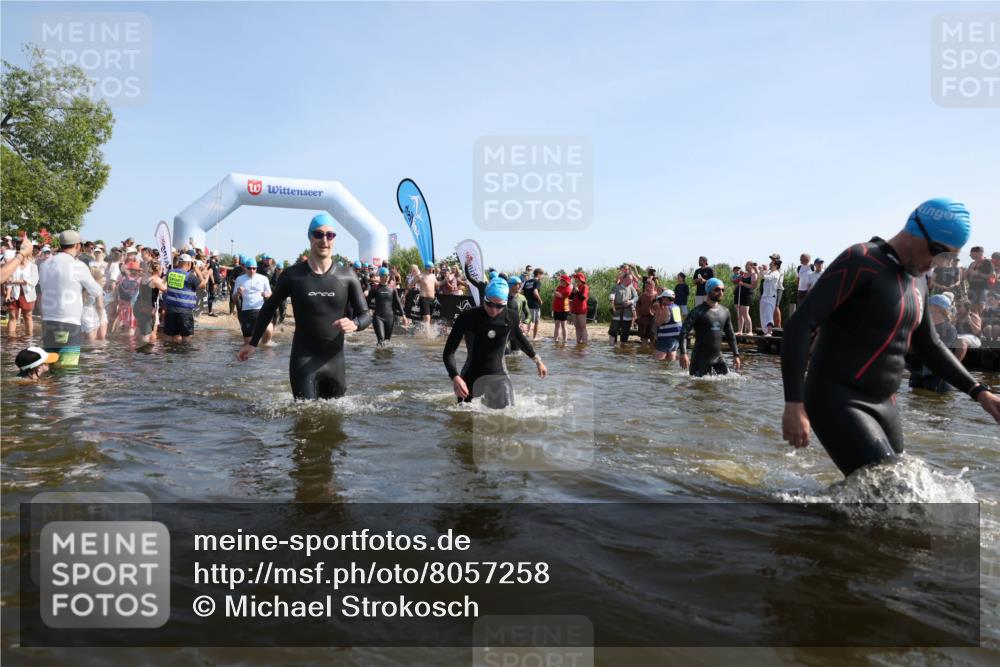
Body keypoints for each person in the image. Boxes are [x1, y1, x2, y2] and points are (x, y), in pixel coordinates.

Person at [781, 198, 1000, 477]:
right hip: (836, 396)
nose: (936, 263)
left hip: (885, 404)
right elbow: (800, 324)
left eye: (947, 258)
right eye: (936, 252)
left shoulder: (918, 280)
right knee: (891, 492)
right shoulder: (861, 260)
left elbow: (930, 346)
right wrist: (794, 403)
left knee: (903, 492)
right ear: (916, 230)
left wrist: (980, 393)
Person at [236, 213, 371, 399]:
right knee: (305, 419)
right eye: (319, 234)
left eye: (330, 235)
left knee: (336, 420)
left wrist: (355, 324)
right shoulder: (293, 275)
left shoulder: (347, 275)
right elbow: (269, 308)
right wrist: (253, 344)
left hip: (335, 362)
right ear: (310, 236)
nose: (324, 240)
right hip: (303, 360)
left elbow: (366, 314)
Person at [443, 277, 548, 409]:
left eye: (499, 306)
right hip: (470, 377)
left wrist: (538, 361)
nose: (493, 309)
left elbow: (520, 340)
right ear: (484, 298)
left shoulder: (511, 317)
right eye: (489, 303)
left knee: (508, 418)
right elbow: (449, 352)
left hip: (499, 376)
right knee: (463, 423)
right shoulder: (467, 317)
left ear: (505, 302)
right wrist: (455, 377)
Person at [37, 230, 104, 367]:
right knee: (68, 370)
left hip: (47, 321)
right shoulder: (78, 265)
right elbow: (96, 291)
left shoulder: (44, 264)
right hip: (69, 323)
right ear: (77, 245)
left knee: (49, 366)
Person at [679, 278, 741, 376]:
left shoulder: (725, 311)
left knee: (729, 385)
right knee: (698, 388)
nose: (720, 292)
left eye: (722, 290)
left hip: (718, 358)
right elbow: (684, 332)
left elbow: (730, 335)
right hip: (699, 360)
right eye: (717, 289)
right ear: (708, 291)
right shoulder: (697, 311)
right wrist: (683, 354)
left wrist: (736, 355)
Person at [909, 294, 966, 393]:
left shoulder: (949, 329)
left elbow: (938, 351)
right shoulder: (923, 326)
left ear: (936, 308)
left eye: (929, 304)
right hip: (920, 372)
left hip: (938, 377)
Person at [162, 253, 209, 343]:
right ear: (188, 264)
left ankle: (168, 355)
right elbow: (203, 285)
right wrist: (198, 271)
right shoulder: (190, 276)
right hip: (184, 312)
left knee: (169, 336)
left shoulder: (170, 273)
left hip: (171, 310)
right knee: (186, 337)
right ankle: (184, 356)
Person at [234, 257, 273, 345]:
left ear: (256, 268)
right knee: (248, 344)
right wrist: (238, 293)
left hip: (260, 309)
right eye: (249, 268)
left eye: (254, 268)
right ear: (245, 268)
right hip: (246, 312)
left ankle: (264, 345)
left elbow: (270, 294)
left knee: (269, 329)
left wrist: (267, 294)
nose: (252, 270)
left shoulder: (263, 279)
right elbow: (234, 298)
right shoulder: (240, 279)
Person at [4, 241, 39, 337]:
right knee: (12, 316)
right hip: (14, 294)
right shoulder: (13, 265)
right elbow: (9, 281)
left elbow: (33, 281)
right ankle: (11, 339)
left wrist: (15, 281)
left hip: (27, 294)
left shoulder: (33, 266)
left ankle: (29, 338)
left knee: (27, 316)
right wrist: (7, 294)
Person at [371, 266, 408, 345]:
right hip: (378, 317)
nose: (388, 277)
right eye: (385, 275)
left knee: (387, 342)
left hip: (390, 317)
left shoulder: (392, 288)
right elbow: (367, 302)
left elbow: (398, 302)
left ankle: (386, 357)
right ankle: (378, 356)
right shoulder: (375, 288)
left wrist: (404, 316)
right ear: (380, 276)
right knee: (381, 340)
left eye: (388, 275)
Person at [135, 260, 167, 346]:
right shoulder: (155, 281)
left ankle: (136, 351)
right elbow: (165, 290)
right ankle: (146, 353)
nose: (162, 271)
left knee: (140, 330)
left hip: (141, 306)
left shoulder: (143, 279)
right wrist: (166, 280)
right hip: (150, 309)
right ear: (157, 271)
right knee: (147, 334)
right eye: (161, 270)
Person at [609, 267, 638, 344]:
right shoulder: (616, 287)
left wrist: (631, 301)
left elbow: (636, 297)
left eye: (631, 280)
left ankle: (623, 350)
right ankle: (611, 348)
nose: (631, 281)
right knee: (613, 331)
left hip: (628, 313)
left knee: (625, 333)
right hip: (617, 312)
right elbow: (612, 296)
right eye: (630, 279)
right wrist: (612, 298)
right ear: (624, 279)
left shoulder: (632, 288)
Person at [653, 289, 683, 362]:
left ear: (666, 298)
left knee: (657, 362)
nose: (661, 300)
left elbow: (658, 323)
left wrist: (657, 311)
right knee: (670, 363)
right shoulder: (676, 307)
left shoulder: (666, 308)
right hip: (676, 339)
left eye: (662, 298)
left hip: (665, 338)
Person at [81, 264, 108, 342]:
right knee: (100, 340)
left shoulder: (81, 286)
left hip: (83, 314)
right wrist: (99, 318)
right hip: (95, 314)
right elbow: (100, 306)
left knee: (86, 341)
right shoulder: (97, 288)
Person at [967, 246, 995, 316]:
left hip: (983, 288)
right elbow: (968, 275)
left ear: (979, 253)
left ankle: (982, 324)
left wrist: (978, 274)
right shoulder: (972, 263)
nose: (970, 255)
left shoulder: (987, 262)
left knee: (981, 307)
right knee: (972, 308)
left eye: (972, 253)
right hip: (972, 288)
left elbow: (992, 275)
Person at [759, 259, 782, 335]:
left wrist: (762, 271)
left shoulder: (776, 273)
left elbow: (767, 278)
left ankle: (769, 330)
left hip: (771, 297)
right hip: (764, 296)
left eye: (771, 263)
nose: (769, 264)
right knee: (763, 314)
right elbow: (760, 276)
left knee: (768, 314)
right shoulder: (769, 272)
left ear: (776, 265)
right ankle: (765, 331)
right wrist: (758, 270)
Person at [735, 261, 757, 334]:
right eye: (745, 265)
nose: (745, 266)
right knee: (739, 313)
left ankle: (750, 331)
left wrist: (743, 284)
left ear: (751, 266)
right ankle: (740, 330)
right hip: (738, 294)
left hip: (747, 295)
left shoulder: (754, 275)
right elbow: (737, 281)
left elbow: (753, 286)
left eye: (747, 265)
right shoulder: (743, 274)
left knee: (745, 313)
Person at [522, 268, 544, 339]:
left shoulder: (527, 282)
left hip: (526, 305)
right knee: (536, 323)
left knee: (525, 321)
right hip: (534, 305)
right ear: (538, 274)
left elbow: (522, 292)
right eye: (542, 275)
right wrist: (540, 300)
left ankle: (522, 337)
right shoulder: (537, 282)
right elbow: (535, 292)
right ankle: (534, 338)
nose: (542, 277)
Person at [417, 262, 438, 335]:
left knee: (427, 319)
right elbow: (410, 285)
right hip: (424, 298)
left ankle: (421, 334)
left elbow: (437, 285)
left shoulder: (433, 276)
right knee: (427, 318)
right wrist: (406, 293)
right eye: (432, 267)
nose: (433, 269)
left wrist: (445, 280)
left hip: (432, 299)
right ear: (428, 268)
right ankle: (428, 337)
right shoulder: (420, 276)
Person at [636, 278, 658, 345]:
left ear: (652, 286)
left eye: (648, 286)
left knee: (652, 337)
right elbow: (637, 306)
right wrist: (638, 317)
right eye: (646, 286)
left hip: (653, 319)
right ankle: (643, 353)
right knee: (643, 337)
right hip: (643, 319)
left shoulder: (657, 296)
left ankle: (650, 353)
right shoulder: (642, 295)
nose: (646, 287)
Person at [569, 272, 589, 344]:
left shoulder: (585, 287)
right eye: (575, 278)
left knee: (583, 327)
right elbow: (570, 297)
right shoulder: (575, 287)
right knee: (577, 327)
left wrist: (577, 291)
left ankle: (584, 343)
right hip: (574, 309)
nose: (575, 279)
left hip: (581, 309)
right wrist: (573, 292)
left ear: (580, 279)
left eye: (576, 278)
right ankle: (578, 343)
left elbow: (582, 298)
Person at [551, 274, 572, 343]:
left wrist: (554, 292)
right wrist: (552, 305)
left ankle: (565, 340)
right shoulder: (559, 287)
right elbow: (555, 296)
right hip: (556, 308)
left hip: (564, 309)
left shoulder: (568, 288)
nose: (561, 281)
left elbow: (560, 295)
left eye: (563, 280)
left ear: (566, 281)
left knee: (563, 325)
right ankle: (555, 339)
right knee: (556, 325)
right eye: (561, 280)